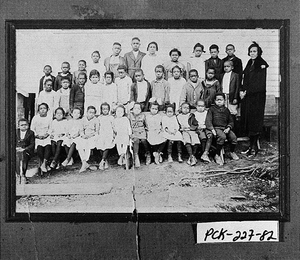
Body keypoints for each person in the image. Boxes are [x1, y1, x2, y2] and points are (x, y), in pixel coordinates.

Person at [240, 41, 269, 156]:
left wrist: (247, 91)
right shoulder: (249, 62)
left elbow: (259, 83)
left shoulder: (261, 64)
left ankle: (254, 147)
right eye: (251, 51)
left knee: (255, 122)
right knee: (249, 121)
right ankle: (250, 146)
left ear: (259, 52)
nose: (252, 53)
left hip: (257, 97)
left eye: (254, 51)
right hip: (248, 97)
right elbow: (245, 78)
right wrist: (242, 90)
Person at [205, 93, 239, 165]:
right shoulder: (211, 110)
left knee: (233, 137)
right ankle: (217, 155)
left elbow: (231, 121)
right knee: (222, 136)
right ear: (214, 101)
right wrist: (212, 129)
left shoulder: (226, 110)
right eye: (217, 100)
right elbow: (208, 120)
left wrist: (229, 128)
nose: (219, 101)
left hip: (225, 128)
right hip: (216, 128)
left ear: (224, 100)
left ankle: (232, 152)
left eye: (221, 100)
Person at [30, 103, 52, 174]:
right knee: (39, 147)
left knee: (47, 146)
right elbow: (32, 128)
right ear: (38, 110)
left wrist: (47, 134)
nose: (43, 110)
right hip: (38, 137)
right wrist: (37, 135)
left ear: (47, 110)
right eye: (41, 108)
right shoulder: (35, 118)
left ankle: (44, 164)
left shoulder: (49, 118)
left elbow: (51, 128)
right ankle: (46, 164)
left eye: (44, 108)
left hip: (47, 136)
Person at [128, 102, 151, 167]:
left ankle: (148, 153)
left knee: (144, 140)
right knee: (136, 140)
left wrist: (146, 132)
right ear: (132, 109)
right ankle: (136, 156)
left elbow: (146, 125)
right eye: (135, 108)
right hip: (134, 132)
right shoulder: (130, 115)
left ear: (141, 110)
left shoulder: (143, 116)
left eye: (138, 108)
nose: (137, 110)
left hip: (142, 132)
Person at [77, 106, 99, 173]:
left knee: (88, 144)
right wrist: (83, 135)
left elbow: (96, 131)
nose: (91, 114)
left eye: (93, 113)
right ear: (86, 112)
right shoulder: (83, 119)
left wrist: (90, 135)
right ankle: (84, 162)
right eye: (90, 112)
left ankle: (84, 162)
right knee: (79, 144)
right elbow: (81, 130)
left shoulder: (96, 120)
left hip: (92, 136)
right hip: (84, 135)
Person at [96, 103, 115, 170]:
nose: (105, 110)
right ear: (101, 110)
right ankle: (105, 160)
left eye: (106, 109)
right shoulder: (99, 118)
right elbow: (97, 127)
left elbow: (113, 126)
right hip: (101, 133)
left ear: (109, 110)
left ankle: (102, 161)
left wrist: (114, 134)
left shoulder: (111, 117)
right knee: (100, 144)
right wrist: (97, 134)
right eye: (103, 109)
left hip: (109, 134)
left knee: (107, 144)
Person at [16, 118, 35, 183]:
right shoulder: (15, 132)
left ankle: (23, 174)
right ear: (18, 126)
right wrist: (16, 148)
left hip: (26, 150)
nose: (24, 126)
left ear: (28, 125)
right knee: (17, 157)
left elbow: (32, 144)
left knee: (24, 156)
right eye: (22, 125)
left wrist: (24, 149)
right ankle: (18, 175)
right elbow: (11, 142)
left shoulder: (31, 133)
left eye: (25, 125)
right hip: (17, 150)